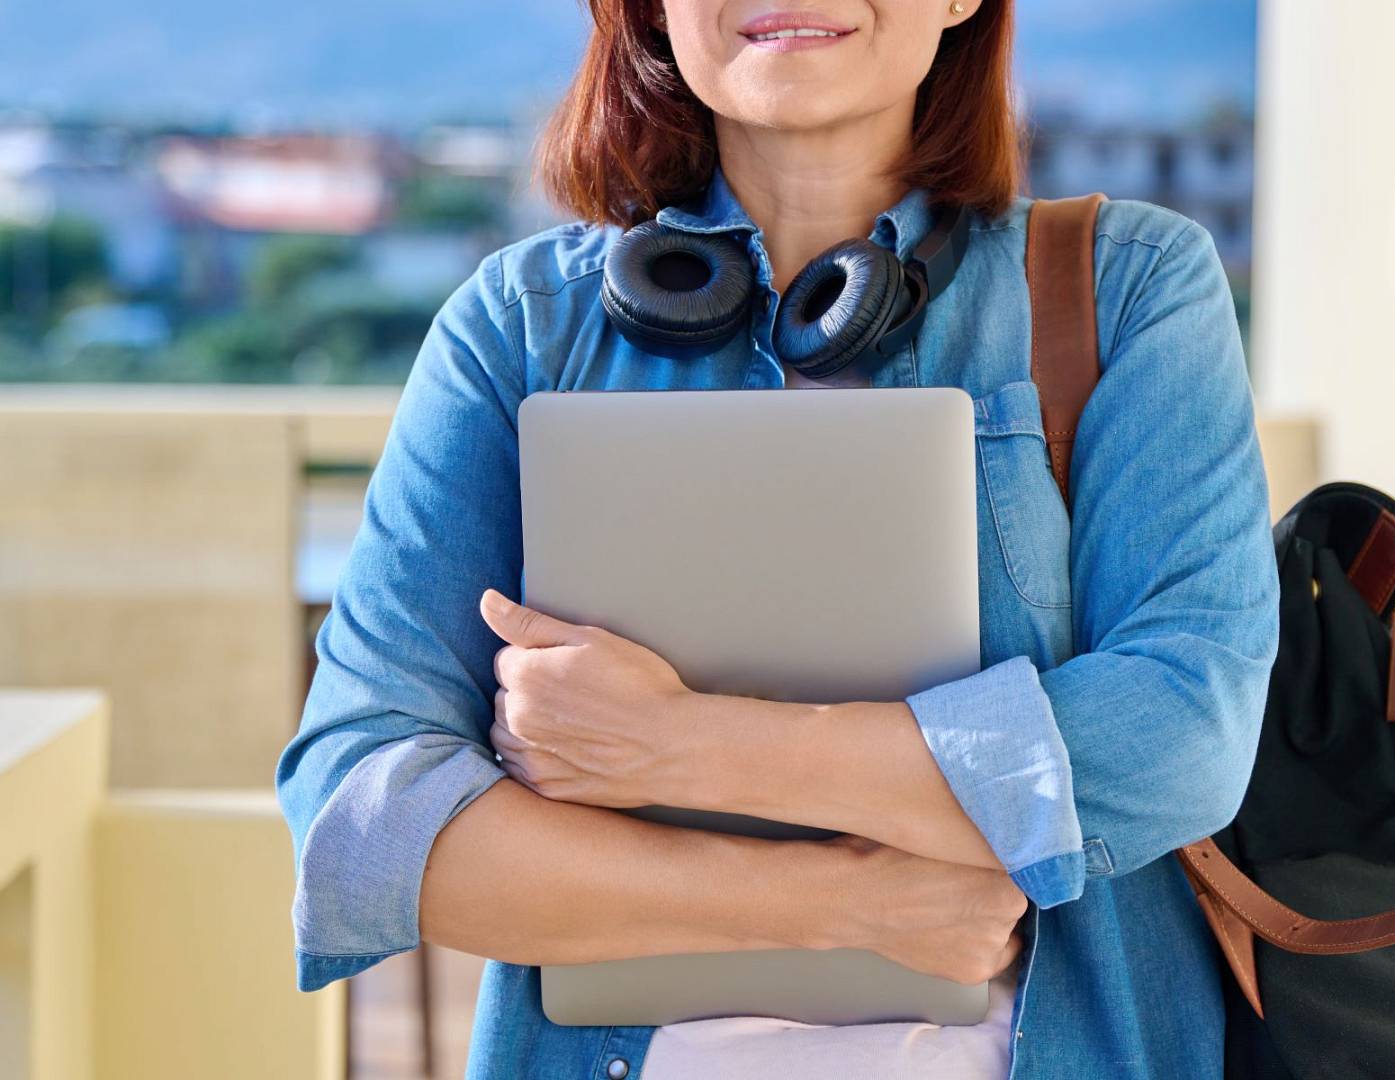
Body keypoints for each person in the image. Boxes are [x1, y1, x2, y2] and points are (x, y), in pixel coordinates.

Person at [274, 1, 1281, 1077]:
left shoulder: (1125, 287)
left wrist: (680, 744)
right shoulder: (519, 325)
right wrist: (842, 903)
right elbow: (360, 815)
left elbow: (1185, 728)